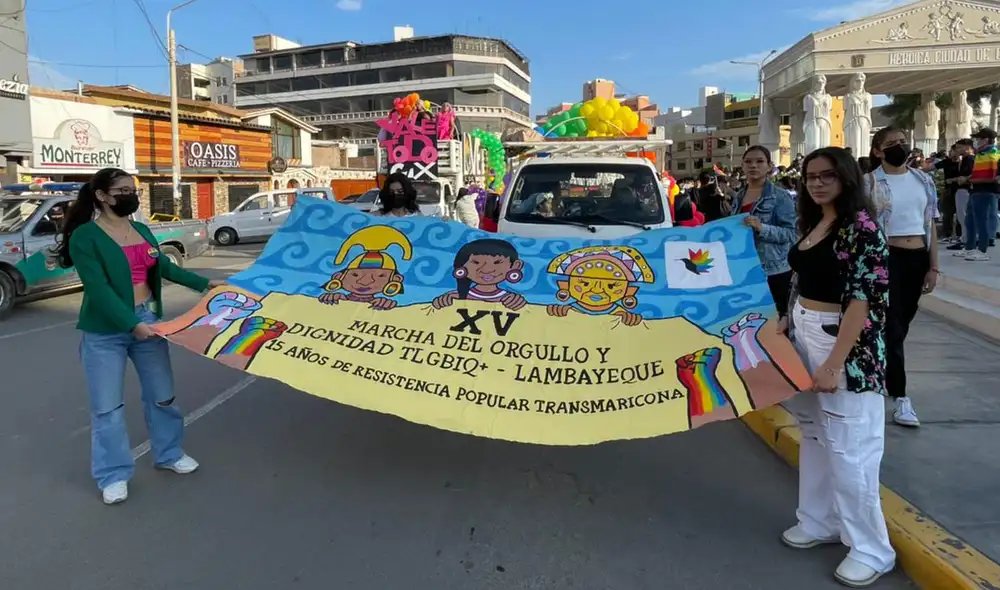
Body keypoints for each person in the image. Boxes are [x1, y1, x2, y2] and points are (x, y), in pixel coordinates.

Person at [55, 167, 223, 505]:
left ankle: (169, 453)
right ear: (101, 196)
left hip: (148, 320)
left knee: (162, 396)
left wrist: (205, 285)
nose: (130, 195)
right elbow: (98, 290)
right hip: (106, 331)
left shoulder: (142, 230)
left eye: (134, 190)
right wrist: (131, 325)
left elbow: (163, 267)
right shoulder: (85, 237)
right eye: (122, 190)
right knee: (107, 408)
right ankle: (113, 474)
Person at [782, 147, 895, 588]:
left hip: (843, 343)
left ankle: (871, 548)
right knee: (813, 435)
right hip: (804, 331)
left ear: (847, 178)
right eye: (810, 175)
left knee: (851, 448)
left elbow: (863, 300)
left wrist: (834, 363)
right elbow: (804, 278)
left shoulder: (861, 229)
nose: (817, 182)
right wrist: (790, 316)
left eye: (827, 175)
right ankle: (819, 520)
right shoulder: (815, 222)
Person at [732, 145, 798, 318]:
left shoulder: (780, 196)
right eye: (748, 162)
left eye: (759, 161)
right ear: (742, 165)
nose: (753, 165)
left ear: (769, 166)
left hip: (773, 271)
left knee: (775, 323)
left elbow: (792, 234)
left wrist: (762, 228)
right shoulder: (739, 196)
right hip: (745, 270)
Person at [960, 127, 1000, 260]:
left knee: (982, 221)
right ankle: (969, 248)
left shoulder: (993, 153)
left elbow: (993, 177)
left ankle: (982, 250)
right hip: (976, 190)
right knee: (970, 220)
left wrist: (971, 180)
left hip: (986, 191)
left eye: (979, 138)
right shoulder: (981, 154)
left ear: (986, 139)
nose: (976, 141)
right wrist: (969, 179)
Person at [932, 143, 974, 244]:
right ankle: (949, 235)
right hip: (950, 191)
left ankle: (962, 237)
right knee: (948, 213)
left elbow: (969, 175)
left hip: (962, 190)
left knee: (962, 215)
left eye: (956, 149)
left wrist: (954, 179)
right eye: (953, 150)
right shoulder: (947, 162)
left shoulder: (967, 160)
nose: (952, 153)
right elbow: (931, 167)